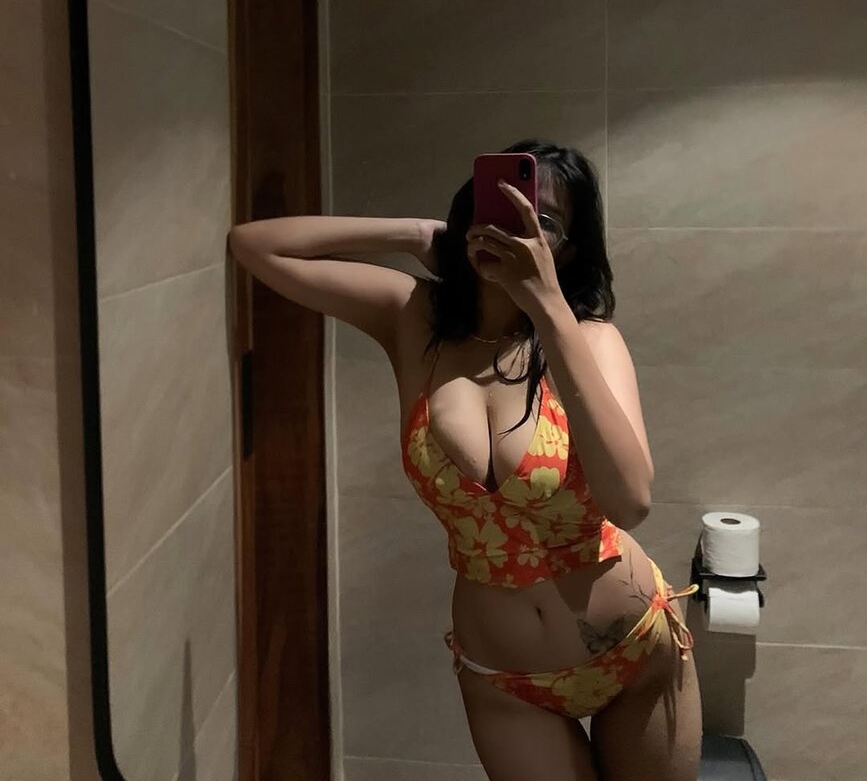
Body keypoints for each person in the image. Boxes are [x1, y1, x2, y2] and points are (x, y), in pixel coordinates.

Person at [228, 138, 702, 781]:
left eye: (543, 221)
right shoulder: (412, 317)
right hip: (505, 680)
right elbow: (256, 246)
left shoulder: (591, 340)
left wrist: (546, 304)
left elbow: (631, 500)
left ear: (567, 250)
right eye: (496, 206)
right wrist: (418, 234)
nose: (512, 229)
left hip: (633, 649)